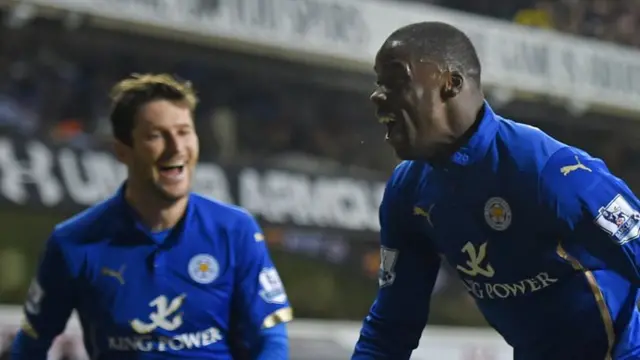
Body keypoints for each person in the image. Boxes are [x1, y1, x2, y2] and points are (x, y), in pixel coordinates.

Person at [352, 22, 640, 360]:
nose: (378, 96)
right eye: (378, 83)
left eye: (397, 80)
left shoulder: (551, 172)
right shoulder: (408, 192)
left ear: (450, 83)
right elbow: (391, 327)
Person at [11, 73, 293, 359]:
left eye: (184, 132)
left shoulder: (234, 230)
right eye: (156, 135)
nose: (176, 148)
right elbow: (32, 342)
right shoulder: (73, 242)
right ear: (123, 151)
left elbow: (269, 339)